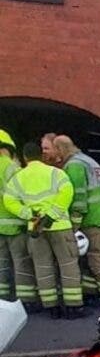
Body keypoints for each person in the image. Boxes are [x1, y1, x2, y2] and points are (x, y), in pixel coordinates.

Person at [3, 142, 83, 319]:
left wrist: (29, 214)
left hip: (35, 228)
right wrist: (52, 215)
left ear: (25, 157)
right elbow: (67, 192)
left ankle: (51, 306)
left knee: (42, 266)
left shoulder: (18, 177)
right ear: (42, 155)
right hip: (60, 226)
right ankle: (73, 307)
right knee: (68, 265)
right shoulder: (56, 173)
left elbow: (9, 200)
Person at [54, 135, 100, 301]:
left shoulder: (74, 166)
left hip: (93, 219)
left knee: (96, 257)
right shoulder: (86, 160)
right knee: (92, 258)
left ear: (61, 149)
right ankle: (94, 292)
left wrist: (73, 226)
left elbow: (79, 198)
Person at [0, 130, 36, 306]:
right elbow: (23, 194)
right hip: (15, 223)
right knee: (21, 263)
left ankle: (2, 299)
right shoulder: (10, 167)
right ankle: (26, 300)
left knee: (1, 264)